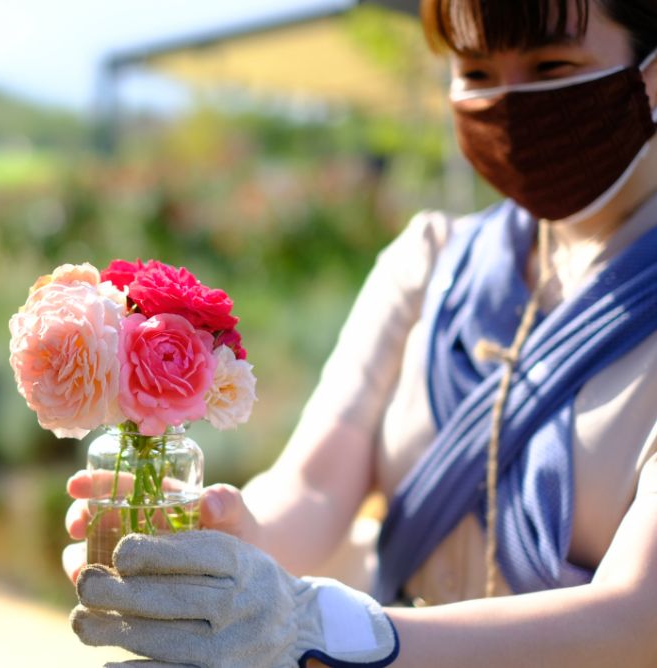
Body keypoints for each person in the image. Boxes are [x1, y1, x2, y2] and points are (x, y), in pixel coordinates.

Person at [63, 0, 657, 665]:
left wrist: (324, 631)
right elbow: (316, 485)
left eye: (552, 65)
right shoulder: (431, 261)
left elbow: (640, 616)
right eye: (475, 69)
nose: (509, 104)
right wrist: (226, 538)